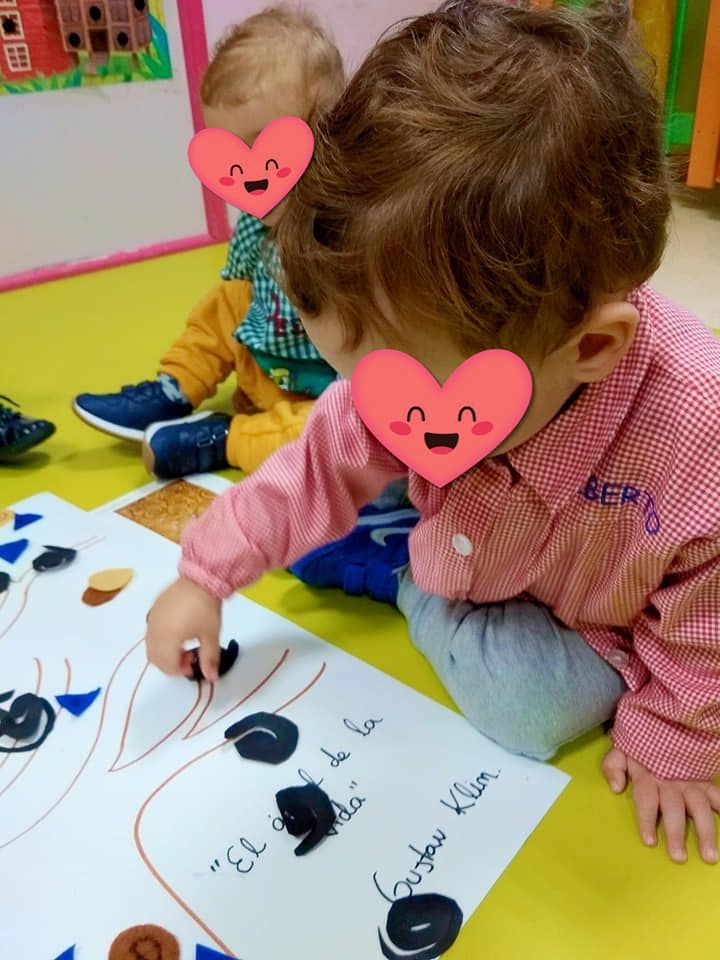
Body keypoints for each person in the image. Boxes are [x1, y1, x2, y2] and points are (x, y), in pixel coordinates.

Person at [144, 1, 720, 864]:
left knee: (533, 713)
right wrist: (205, 574)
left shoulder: (694, 429)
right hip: (480, 546)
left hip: (594, 613)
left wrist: (674, 734)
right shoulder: (400, 378)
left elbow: (705, 608)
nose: (373, 404)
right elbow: (311, 467)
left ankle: (404, 579)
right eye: (353, 372)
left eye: (401, 387)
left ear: (590, 348)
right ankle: (407, 556)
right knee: (314, 502)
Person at [73, 5, 344, 479]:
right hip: (261, 372)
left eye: (267, 147)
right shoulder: (260, 223)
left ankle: (226, 439)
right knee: (224, 302)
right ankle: (175, 387)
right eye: (233, 156)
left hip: (321, 400)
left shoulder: (353, 228)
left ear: (333, 131)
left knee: (349, 432)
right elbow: (234, 303)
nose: (251, 175)